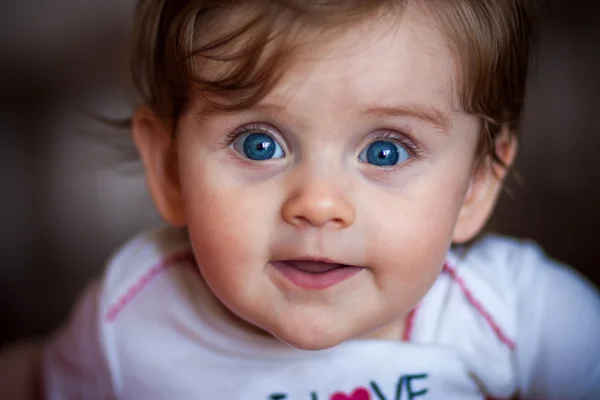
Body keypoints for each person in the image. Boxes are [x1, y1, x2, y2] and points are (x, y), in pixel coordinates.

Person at [31, 0, 600, 398]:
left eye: (385, 152)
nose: (319, 204)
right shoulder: (127, 325)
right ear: (170, 171)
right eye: (260, 144)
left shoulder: (523, 314)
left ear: (476, 183)